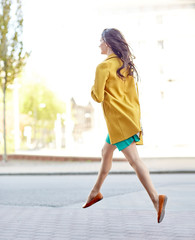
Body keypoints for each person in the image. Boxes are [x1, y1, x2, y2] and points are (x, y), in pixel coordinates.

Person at [82, 28, 167, 223]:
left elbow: (97, 96)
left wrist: (93, 87)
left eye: (101, 41)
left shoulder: (102, 67)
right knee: (106, 152)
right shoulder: (126, 65)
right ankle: (95, 192)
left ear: (108, 44)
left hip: (119, 122)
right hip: (127, 118)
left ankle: (156, 199)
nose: (99, 45)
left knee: (135, 161)